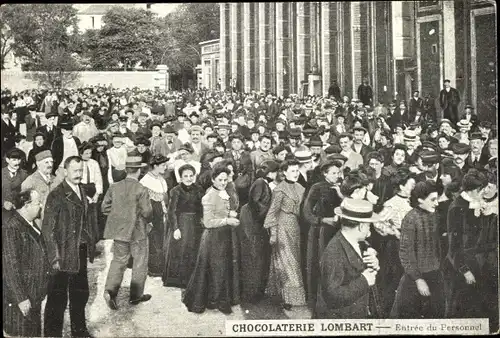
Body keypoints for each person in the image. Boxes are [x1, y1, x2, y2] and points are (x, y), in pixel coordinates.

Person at [42, 156, 99, 337]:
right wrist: (54, 257)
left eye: (81, 170)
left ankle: (79, 331)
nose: (78, 174)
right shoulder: (56, 194)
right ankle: (52, 334)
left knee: (80, 293)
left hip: (79, 250)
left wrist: (89, 241)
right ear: (65, 171)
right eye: (75, 171)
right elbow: (48, 229)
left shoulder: (82, 189)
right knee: (57, 296)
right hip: (62, 252)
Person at [182, 164, 241, 315]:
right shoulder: (209, 196)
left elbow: (222, 211)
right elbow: (208, 222)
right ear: (213, 179)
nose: (223, 183)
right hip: (213, 238)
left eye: (226, 180)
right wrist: (227, 220)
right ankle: (219, 301)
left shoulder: (223, 192)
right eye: (220, 180)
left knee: (224, 267)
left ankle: (221, 299)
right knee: (217, 269)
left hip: (225, 235)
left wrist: (230, 214)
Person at [314, 198, 381, 319]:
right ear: (361, 226)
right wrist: (364, 281)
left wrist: (372, 256)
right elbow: (332, 296)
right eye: (368, 225)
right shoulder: (334, 252)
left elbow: (362, 246)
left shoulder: (353, 240)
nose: (369, 229)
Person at [101, 155, 153, 310]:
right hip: (138, 232)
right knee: (139, 262)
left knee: (118, 261)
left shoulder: (114, 187)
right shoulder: (141, 188)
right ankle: (136, 296)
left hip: (119, 231)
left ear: (126, 170)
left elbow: (104, 208)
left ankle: (110, 291)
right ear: (138, 171)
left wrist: (119, 214)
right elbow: (147, 212)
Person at [391, 181, 444, 318]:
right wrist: (418, 279)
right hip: (415, 278)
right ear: (420, 200)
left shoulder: (435, 215)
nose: (436, 203)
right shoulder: (411, 218)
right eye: (433, 199)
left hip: (435, 275)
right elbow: (405, 252)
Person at [3, 189, 50, 337]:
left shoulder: (31, 223)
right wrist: (21, 298)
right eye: (37, 203)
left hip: (33, 294)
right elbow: (10, 267)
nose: (41, 206)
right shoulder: (12, 228)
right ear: (26, 205)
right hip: (21, 300)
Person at [264, 159, 307, 310]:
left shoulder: (301, 187)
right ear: (284, 172)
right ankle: (286, 298)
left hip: (295, 226)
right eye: (293, 171)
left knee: (295, 259)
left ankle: (292, 296)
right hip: (282, 225)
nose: (296, 174)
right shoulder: (279, 190)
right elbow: (272, 212)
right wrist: (273, 233)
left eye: (297, 170)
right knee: (285, 261)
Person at [447, 169, 488, 319]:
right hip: (462, 266)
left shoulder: (472, 204)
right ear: (475, 190)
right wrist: (465, 270)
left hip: (475, 262)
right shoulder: (457, 209)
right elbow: (454, 245)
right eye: (482, 190)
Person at [303, 160, 343, 310]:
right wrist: (322, 220)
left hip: (336, 231)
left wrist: (341, 193)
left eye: (338, 173)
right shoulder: (317, 187)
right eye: (333, 173)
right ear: (325, 173)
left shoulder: (340, 187)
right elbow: (306, 212)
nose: (336, 176)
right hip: (320, 232)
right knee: (318, 263)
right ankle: (315, 301)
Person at [238, 160, 279, 303]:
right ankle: (252, 292)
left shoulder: (262, 183)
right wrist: (269, 212)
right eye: (275, 172)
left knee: (257, 256)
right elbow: (255, 203)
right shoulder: (260, 183)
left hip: (255, 221)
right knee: (254, 256)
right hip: (252, 223)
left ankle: (255, 291)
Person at [163, 164, 204, 288]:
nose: (189, 178)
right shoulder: (176, 191)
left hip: (195, 224)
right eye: (185, 176)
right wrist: (175, 228)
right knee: (181, 250)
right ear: (180, 178)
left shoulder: (198, 189)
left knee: (194, 249)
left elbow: (201, 207)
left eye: (191, 176)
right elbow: (171, 211)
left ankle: (192, 279)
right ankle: (178, 280)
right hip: (182, 223)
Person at [139, 155, 169, 277]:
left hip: (162, 212)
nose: (165, 168)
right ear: (155, 166)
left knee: (162, 239)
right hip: (152, 213)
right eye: (163, 165)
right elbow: (143, 202)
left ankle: (161, 266)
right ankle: (154, 268)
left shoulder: (161, 178)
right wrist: (148, 218)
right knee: (154, 240)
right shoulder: (146, 180)